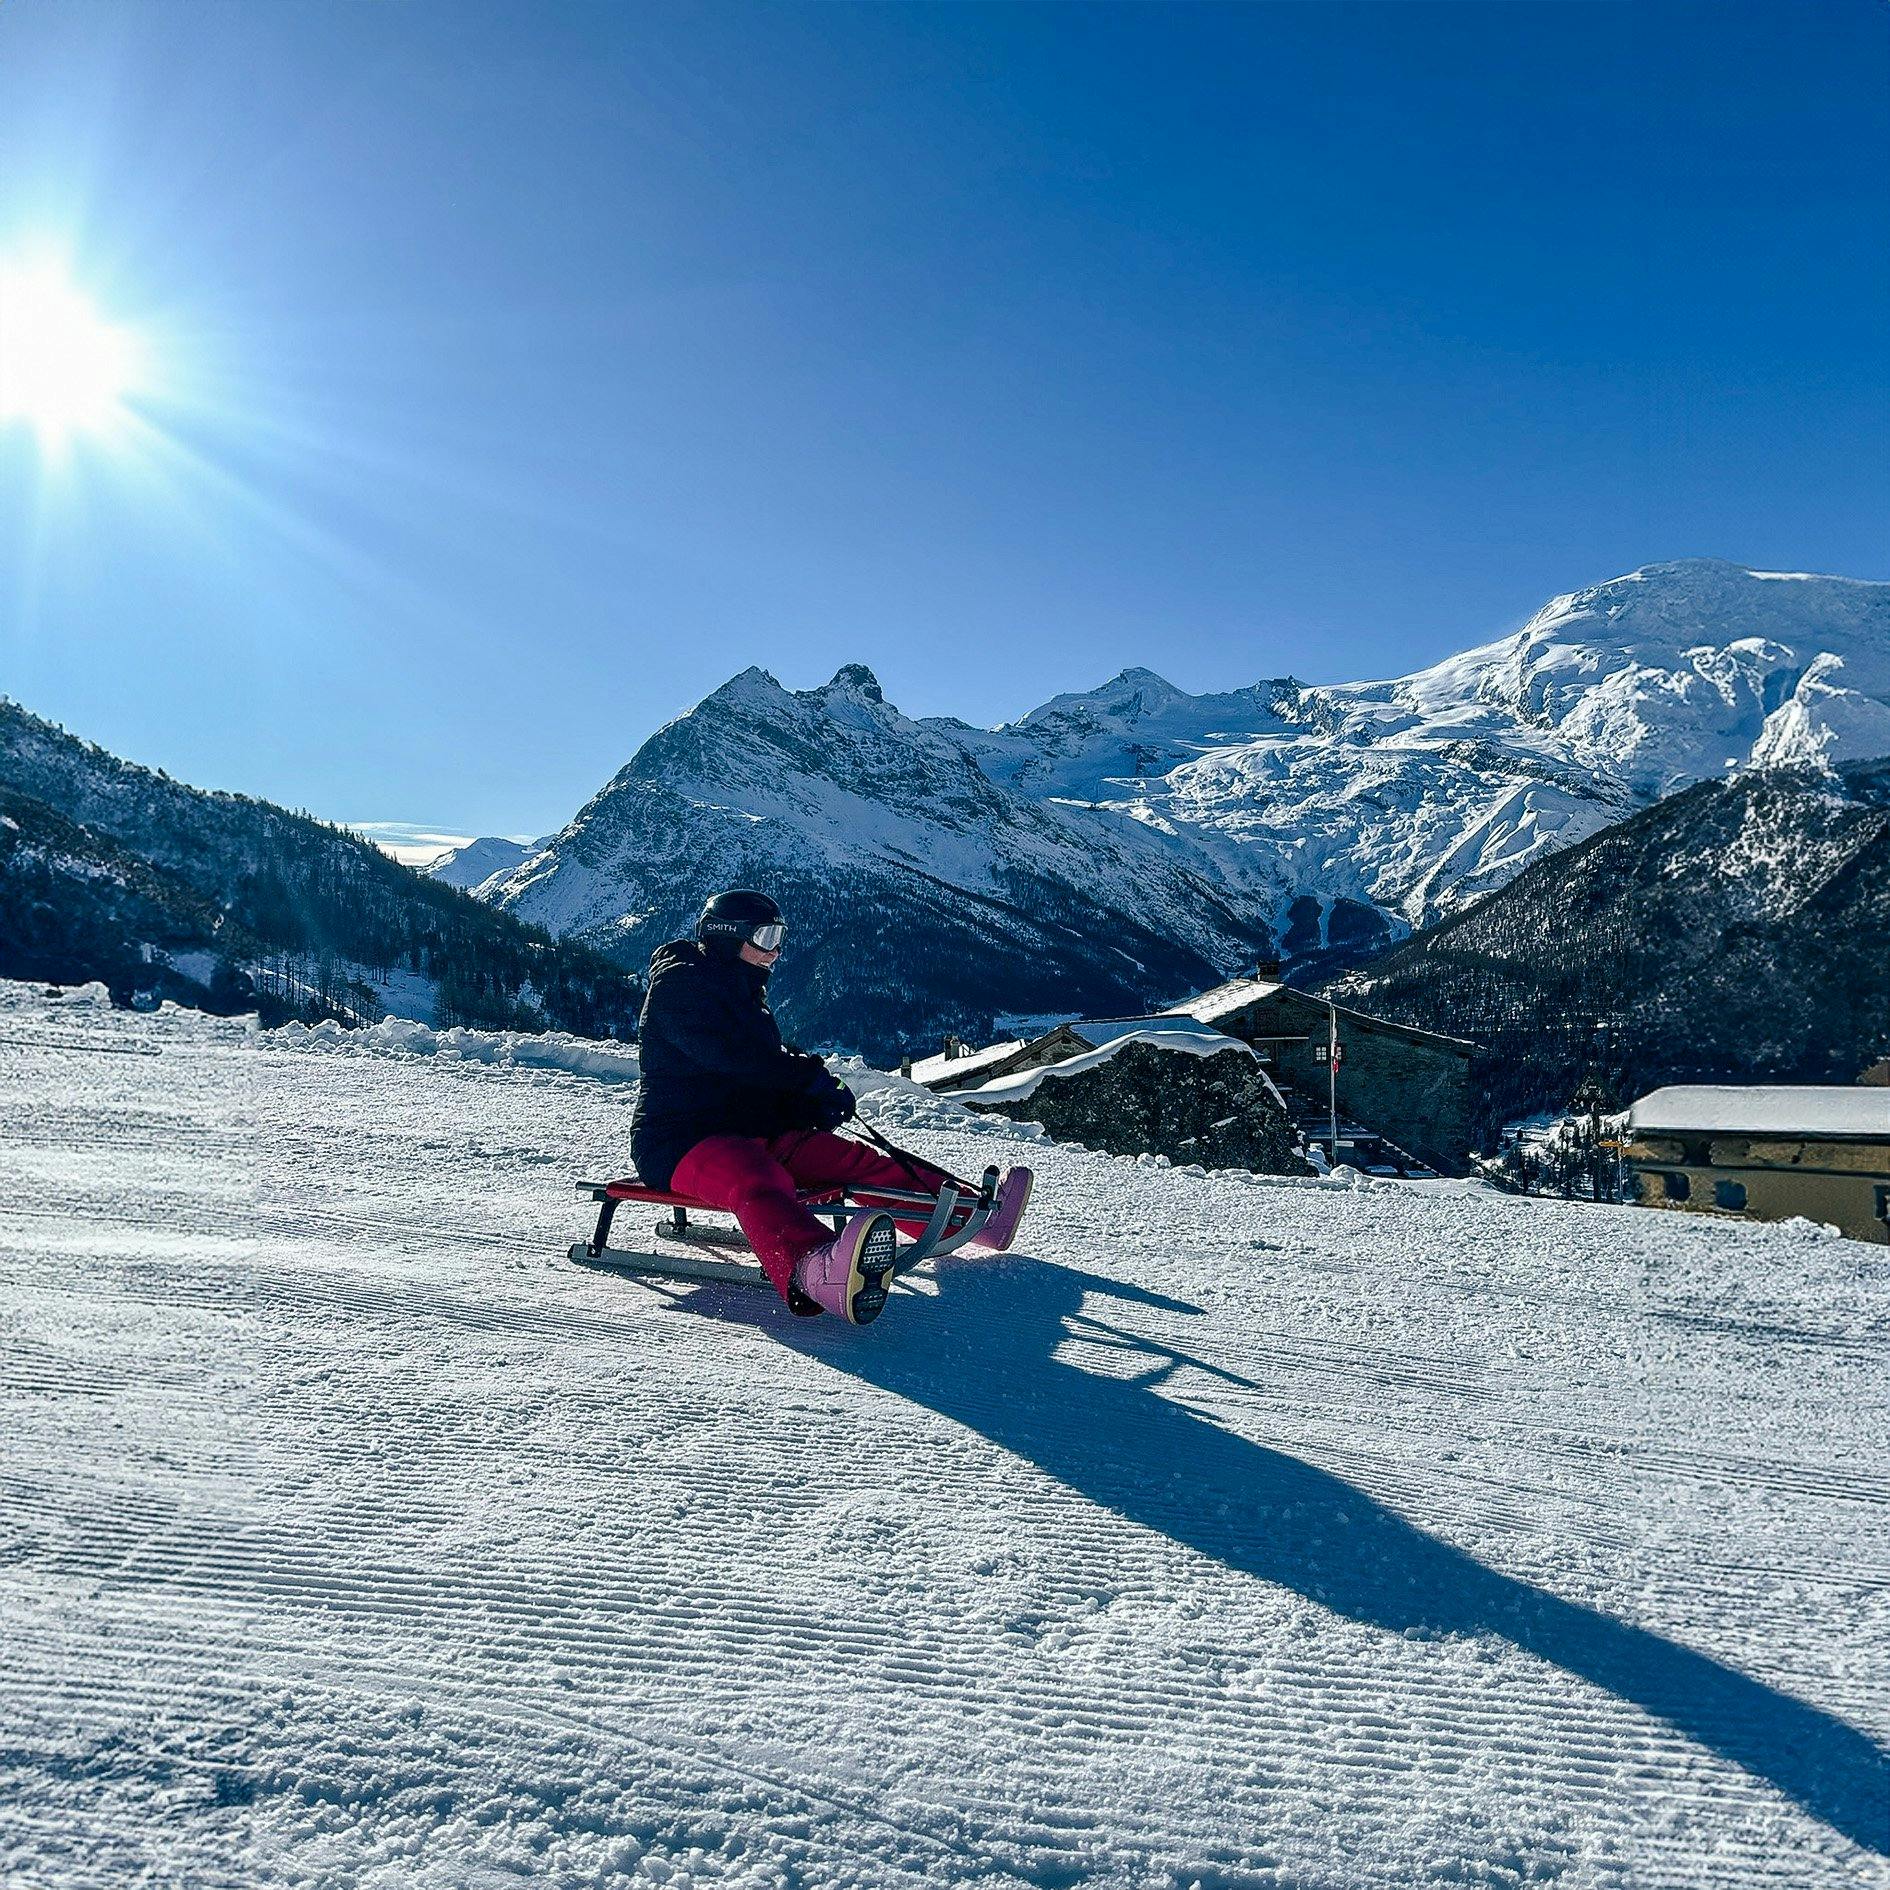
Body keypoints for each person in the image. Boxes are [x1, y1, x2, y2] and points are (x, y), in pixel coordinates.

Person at [629, 889, 1033, 1325]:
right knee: (758, 1180)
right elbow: (734, 1061)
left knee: (853, 1160)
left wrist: (810, 1103)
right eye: (765, 937)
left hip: (753, 1129)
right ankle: (815, 1268)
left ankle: (970, 1219)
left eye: (779, 936)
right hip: (682, 1141)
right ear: (728, 936)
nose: (776, 950)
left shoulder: (740, 989)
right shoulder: (681, 986)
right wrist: (805, 1081)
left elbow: (755, 1077)